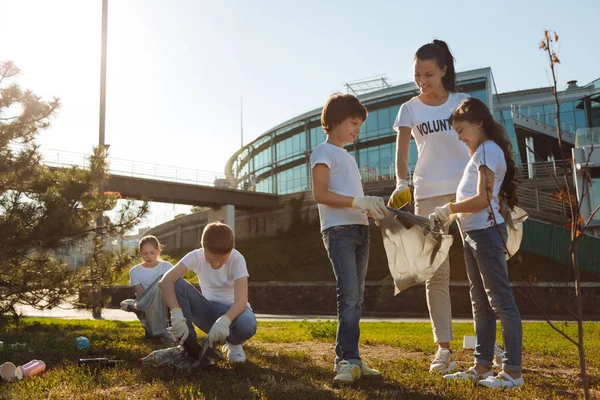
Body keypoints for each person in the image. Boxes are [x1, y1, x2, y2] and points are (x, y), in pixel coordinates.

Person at [431, 97, 524, 389]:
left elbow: (484, 199)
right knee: (481, 304)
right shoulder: (480, 153)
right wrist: (454, 216)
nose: (459, 137)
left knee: (501, 302)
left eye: (461, 130)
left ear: (478, 123)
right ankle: (482, 367)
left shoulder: (487, 151)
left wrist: (450, 208)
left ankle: (513, 373)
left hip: (485, 232)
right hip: (472, 234)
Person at [389, 39, 470, 373]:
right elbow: (403, 152)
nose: (422, 80)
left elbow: (480, 144)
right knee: (435, 274)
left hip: (467, 193)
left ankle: (491, 343)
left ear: (444, 71)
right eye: (417, 74)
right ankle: (444, 350)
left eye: (429, 73)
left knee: (480, 266)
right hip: (428, 194)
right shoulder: (410, 109)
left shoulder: (464, 103)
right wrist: (400, 183)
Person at [310, 93, 387, 385]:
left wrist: (370, 211)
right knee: (349, 295)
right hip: (339, 231)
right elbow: (320, 195)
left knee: (357, 298)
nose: (358, 129)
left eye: (360, 124)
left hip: (360, 230)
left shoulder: (350, 158)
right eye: (354, 123)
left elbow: (354, 199)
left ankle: (352, 356)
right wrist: (358, 202)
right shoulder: (323, 152)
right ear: (334, 121)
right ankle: (345, 360)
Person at [158, 222, 256, 363]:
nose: (216, 264)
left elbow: (241, 302)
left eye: (222, 260)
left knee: (247, 324)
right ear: (203, 247)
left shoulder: (237, 259)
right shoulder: (195, 256)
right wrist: (176, 313)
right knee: (177, 284)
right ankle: (189, 346)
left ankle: (233, 344)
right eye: (210, 259)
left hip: (234, 314)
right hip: (207, 311)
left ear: (231, 250)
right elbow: (165, 281)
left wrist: (225, 320)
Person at [122, 235, 173, 338]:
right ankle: (140, 311)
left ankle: (134, 306)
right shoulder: (134, 271)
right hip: (147, 301)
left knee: (161, 281)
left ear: (158, 252)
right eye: (145, 254)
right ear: (141, 254)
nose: (149, 256)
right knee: (155, 334)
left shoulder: (167, 266)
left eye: (152, 253)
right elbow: (141, 294)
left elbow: (173, 288)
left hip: (165, 300)